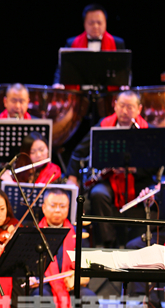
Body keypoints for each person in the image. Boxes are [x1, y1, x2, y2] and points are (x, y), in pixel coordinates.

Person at [66, 90, 156, 247]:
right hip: (110, 179)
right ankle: (109, 244)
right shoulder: (104, 125)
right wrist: (72, 178)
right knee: (98, 194)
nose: (125, 111)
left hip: (139, 180)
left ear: (139, 109)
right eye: (121, 106)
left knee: (152, 197)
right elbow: (79, 152)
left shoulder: (147, 130)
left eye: (130, 107)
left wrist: (133, 169)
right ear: (115, 105)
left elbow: (156, 164)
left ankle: (141, 244)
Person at [34, 188, 98, 308]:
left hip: (70, 284)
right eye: (53, 205)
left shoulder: (78, 234)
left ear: (68, 208)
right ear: (44, 208)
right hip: (44, 284)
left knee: (89, 299)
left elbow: (86, 266)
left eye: (62, 206)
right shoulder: (34, 232)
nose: (57, 210)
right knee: (41, 299)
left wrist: (78, 277)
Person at [53, 4, 125, 89]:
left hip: (107, 93)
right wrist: (57, 83)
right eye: (91, 23)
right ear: (84, 23)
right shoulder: (72, 43)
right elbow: (62, 68)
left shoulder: (117, 43)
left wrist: (125, 85)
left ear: (105, 23)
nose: (95, 26)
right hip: (80, 93)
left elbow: (124, 69)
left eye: (99, 23)